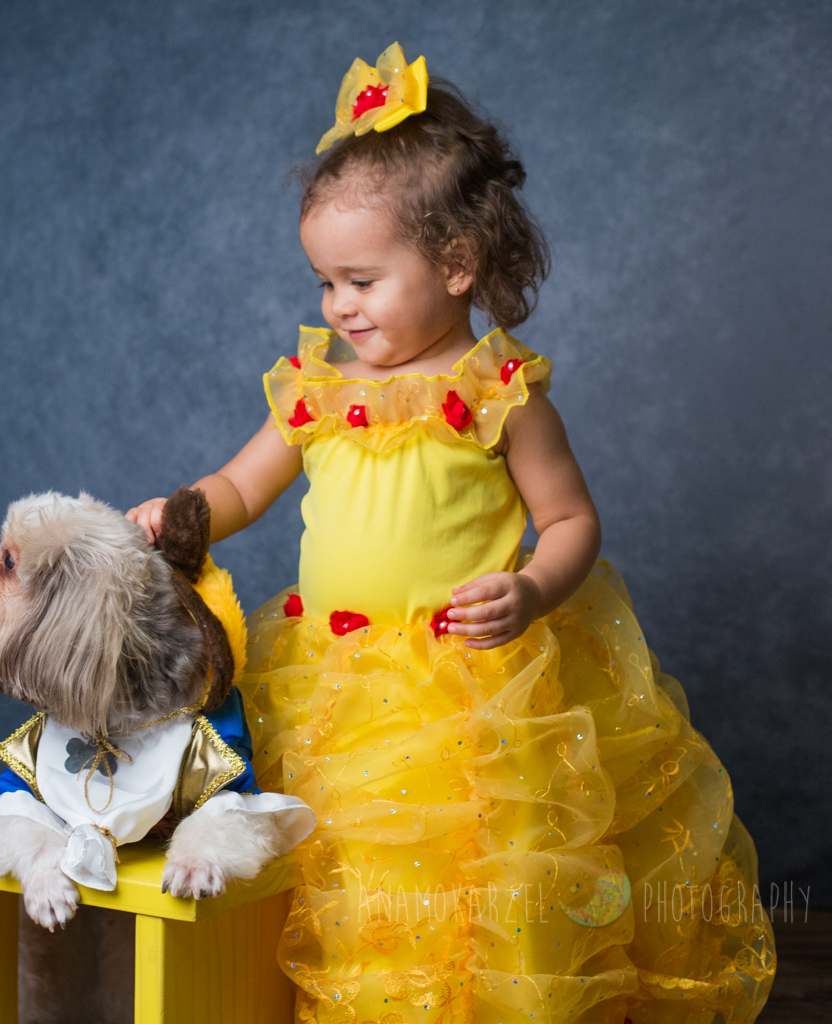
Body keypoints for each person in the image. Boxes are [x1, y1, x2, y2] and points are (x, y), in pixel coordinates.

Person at [127, 43, 775, 1024]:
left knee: (473, 863)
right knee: (348, 853)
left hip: (469, 683)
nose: (338, 306)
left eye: (360, 281)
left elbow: (569, 519)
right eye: (324, 284)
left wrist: (532, 587)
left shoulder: (497, 393)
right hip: (334, 675)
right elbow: (242, 484)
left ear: (456, 265)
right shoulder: (318, 390)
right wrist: (183, 513)